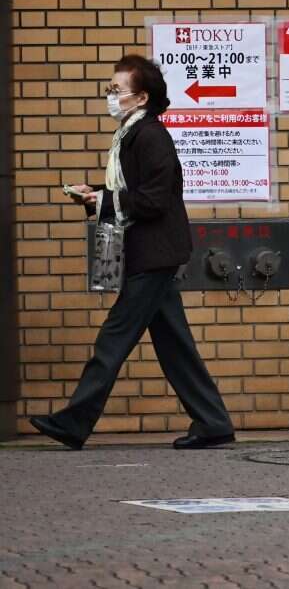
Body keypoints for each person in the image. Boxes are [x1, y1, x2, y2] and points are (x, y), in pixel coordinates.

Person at [29, 55, 235, 450]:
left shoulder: (150, 136)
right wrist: (96, 195)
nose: (110, 96)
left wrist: (105, 200)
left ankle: (75, 422)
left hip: (153, 255)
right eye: (109, 89)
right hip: (150, 253)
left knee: (113, 339)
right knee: (176, 346)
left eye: (115, 90)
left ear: (140, 97)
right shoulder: (131, 134)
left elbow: (155, 199)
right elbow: (135, 192)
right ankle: (213, 422)